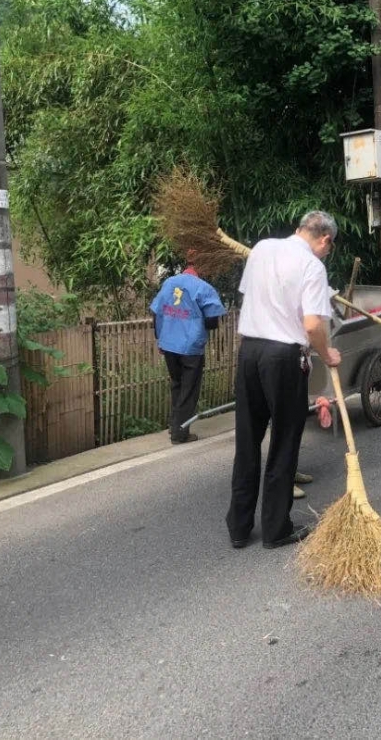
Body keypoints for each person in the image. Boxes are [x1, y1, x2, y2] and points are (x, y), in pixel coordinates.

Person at [226, 211, 341, 550]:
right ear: (325, 240)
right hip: (284, 358)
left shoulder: (262, 248)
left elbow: (253, 298)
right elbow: (312, 325)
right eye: (328, 248)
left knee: (247, 440)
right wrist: (328, 353)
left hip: (249, 353)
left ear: (298, 229)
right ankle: (276, 528)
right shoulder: (313, 267)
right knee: (284, 441)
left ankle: (239, 527)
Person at [150, 252, 227, 444]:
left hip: (169, 343)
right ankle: (180, 433)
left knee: (176, 384)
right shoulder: (204, 288)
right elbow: (211, 321)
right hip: (191, 346)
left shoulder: (168, 283)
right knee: (189, 389)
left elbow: (156, 312)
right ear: (201, 268)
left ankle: (174, 425)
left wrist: (160, 338)